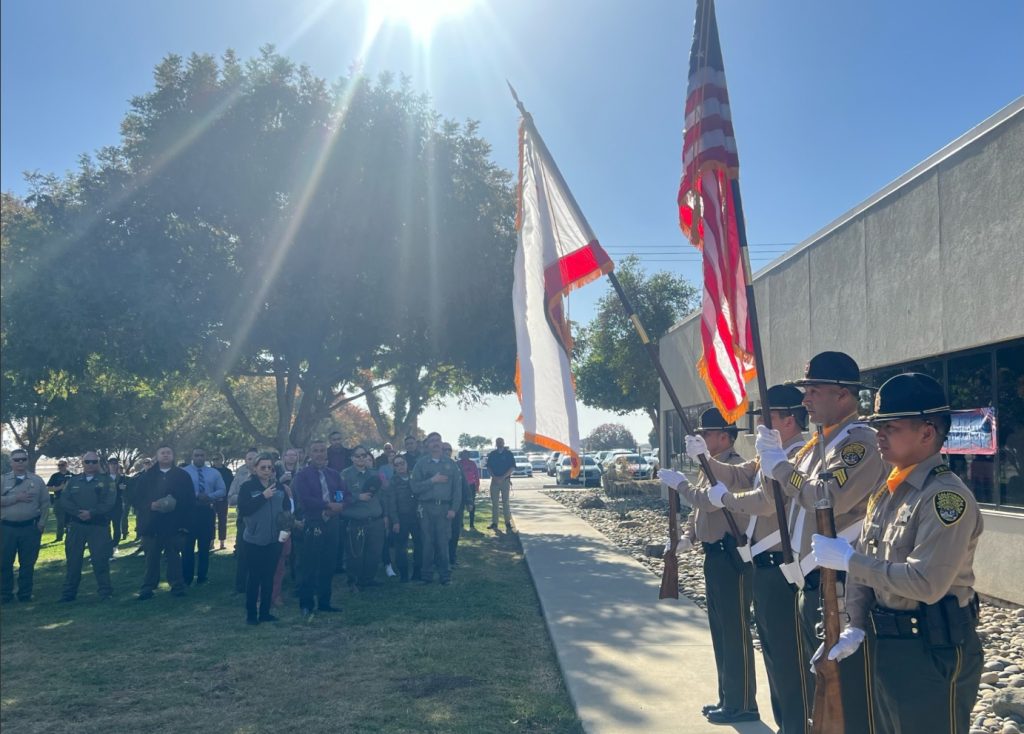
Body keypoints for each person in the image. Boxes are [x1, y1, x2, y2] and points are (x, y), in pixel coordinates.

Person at [812, 373, 983, 733]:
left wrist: (847, 560)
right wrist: (855, 625)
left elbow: (926, 583)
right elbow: (866, 560)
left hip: (932, 651)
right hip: (889, 645)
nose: (879, 435)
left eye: (891, 426)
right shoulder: (889, 491)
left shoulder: (942, 498)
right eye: (878, 426)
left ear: (927, 433)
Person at [754, 351, 887, 733]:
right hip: (810, 581)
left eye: (814, 390)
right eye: (806, 390)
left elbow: (824, 497)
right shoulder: (819, 444)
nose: (806, 398)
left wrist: (779, 465)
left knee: (847, 695)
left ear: (843, 394)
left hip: (841, 587)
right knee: (821, 689)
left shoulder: (858, 443)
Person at [681, 386, 811, 733]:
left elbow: (766, 502)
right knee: (774, 655)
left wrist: (725, 499)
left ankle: (794, 725)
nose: (760, 427)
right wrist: (703, 461)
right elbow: (740, 476)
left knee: (788, 657)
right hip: (764, 562)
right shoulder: (773, 453)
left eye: (767, 419)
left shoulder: (797, 455)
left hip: (783, 563)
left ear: (788, 419)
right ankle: (786, 724)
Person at [663, 408, 757, 724]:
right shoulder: (710, 468)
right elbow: (698, 514)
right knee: (719, 629)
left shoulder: (735, 467)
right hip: (714, 555)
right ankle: (728, 697)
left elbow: (707, 501)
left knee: (735, 630)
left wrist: (681, 487)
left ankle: (743, 703)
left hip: (732, 557)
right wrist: (687, 538)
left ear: (725, 436)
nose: (702, 438)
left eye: (707, 433)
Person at [132, 446, 196, 600]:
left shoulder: (182, 476)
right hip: (152, 525)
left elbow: (190, 500)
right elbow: (136, 499)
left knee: (174, 557)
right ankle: (147, 588)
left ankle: (177, 586)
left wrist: (181, 517)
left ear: (173, 456)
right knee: (151, 558)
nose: (166, 455)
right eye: (162, 453)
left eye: (169, 452)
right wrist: (150, 505)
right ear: (157, 456)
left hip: (174, 524)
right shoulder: (147, 476)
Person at [293, 439, 346, 617]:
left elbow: (343, 493)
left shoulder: (334, 474)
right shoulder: (303, 475)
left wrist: (338, 504)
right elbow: (305, 499)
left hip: (332, 524)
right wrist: (327, 505)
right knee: (309, 565)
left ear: (326, 453)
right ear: (310, 453)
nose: (319, 454)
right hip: (314, 522)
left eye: (322, 450)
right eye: (315, 450)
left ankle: (324, 602)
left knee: (328, 564)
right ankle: (306, 603)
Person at [58, 451, 116, 602]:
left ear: (98, 463)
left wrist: (92, 513)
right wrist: (78, 513)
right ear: (82, 463)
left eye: (94, 462)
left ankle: (105, 592)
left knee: (100, 560)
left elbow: (110, 502)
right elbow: (64, 500)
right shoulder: (73, 481)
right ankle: (69, 594)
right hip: (77, 526)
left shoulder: (107, 481)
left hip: (98, 526)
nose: (91, 465)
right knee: (73, 561)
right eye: (87, 462)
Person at [238, 453, 287, 624]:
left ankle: (265, 612)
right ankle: (251, 614)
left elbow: (287, 509)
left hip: (274, 539)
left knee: (269, 576)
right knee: (254, 577)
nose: (267, 471)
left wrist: (285, 529)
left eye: (270, 468)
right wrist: (263, 496)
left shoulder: (279, 487)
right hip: (254, 540)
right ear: (255, 469)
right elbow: (243, 509)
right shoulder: (247, 487)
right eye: (263, 467)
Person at [410, 432, 460, 585]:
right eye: (432, 441)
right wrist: (432, 480)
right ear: (427, 445)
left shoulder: (451, 464)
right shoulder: (421, 464)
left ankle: (445, 576)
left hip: (444, 509)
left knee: (443, 543)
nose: (435, 444)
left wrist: (454, 509)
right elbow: (414, 487)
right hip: (426, 508)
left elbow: (457, 490)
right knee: (427, 543)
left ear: (442, 443)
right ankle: (426, 576)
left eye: (437, 440)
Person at [1, 449, 49, 603]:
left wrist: (42, 523)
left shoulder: (37, 480)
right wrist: (16, 498)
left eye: (23, 459)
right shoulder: (3, 480)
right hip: (6, 528)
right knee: (4, 562)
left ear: (27, 461)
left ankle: (25, 594)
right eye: (16, 460)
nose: (20, 462)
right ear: (11, 462)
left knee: (27, 563)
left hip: (30, 528)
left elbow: (45, 503)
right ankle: (5, 594)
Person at [340, 446, 386, 590]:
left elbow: (384, 496)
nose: (361, 458)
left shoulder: (375, 474)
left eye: (364, 455)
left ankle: (368, 579)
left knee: (374, 553)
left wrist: (386, 515)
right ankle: (353, 581)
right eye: (357, 456)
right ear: (352, 458)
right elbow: (338, 496)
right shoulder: (345, 475)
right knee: (355, 554)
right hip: (356, 521)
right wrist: (357, 497)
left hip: (375, 520)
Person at [182, 448, 227, 585]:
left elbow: (222, 490)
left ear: (205, 456)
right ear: (192, 456)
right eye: (196, 455)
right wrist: (196, 495)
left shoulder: (214, 473)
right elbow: (181, 490)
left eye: (202, 455)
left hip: (207, 512)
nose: (199, 458)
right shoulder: (184, 472)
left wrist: (209, 496)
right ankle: (187, 577)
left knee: (204, 546)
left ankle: (202, 576)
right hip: (189, 512)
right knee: (187, 547)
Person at [383, 454, 421, 582]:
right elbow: (392, 503)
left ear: (406, 464)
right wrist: (395, 521)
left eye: (402, 463)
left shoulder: (415, 477)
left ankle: (417, 572)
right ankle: (404, 574)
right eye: (397, 464)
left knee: (419, 545)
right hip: (401, 518)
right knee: (400, 547)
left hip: (416, 517)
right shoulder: (393, 481)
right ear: (394, 467)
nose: (400, 466)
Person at [229, 449, 259, 594]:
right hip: (245, 519)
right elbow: (231, 498)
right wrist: (244, 497)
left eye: (254, 458)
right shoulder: (240, 476)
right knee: (243, 552)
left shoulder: (267, 476)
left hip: (262, 520)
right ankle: (240, 586)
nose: (252, 461)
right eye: (249, 459)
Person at [442, 443, 466, 566]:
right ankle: (442, 558)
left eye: (449, 450)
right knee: (443, 534)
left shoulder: (457, 466)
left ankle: (452, 557)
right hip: (441, 506)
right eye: (444, 449)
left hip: (456, 506)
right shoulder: (436, 466)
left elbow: (464, 484)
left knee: (455, 532)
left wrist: (469, 501)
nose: (447, 451)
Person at [485, 438, 515, 533]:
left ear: (503, 443)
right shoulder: (492, 454)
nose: (499, 444)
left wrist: (503, 477)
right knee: (495, 503)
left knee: (505, 502)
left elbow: (512, 467)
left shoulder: (509, 454)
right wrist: (494, 477)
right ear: (496, 444)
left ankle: (507, 523)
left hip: (505, 480)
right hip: (494, 481)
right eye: (498, 442)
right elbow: (488, 467)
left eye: (501, 442)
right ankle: (495, 523)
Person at [105, 457, 130, 555]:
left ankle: (114, 545)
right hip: (106, 506)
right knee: (105, 527)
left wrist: (124, 489)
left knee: (117, 527)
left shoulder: (123, 478)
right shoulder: (104, 477)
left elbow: (127, 490)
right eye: (111, 464)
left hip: (118, 505)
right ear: (108, 465)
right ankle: (106, 546)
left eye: (115, 464)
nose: (114, 466)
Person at [211, 453, 234, 550]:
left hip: (223, 500)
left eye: (217, 459)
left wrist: (227, 496)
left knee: (222, 521)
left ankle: (222, 542)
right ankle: (211, 542)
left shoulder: (227, 472)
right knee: (211, 521)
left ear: (222, 459)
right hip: (212, 500)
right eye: (214, 459)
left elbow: (231, 485)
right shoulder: (210, 471)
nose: (216, 461)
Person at [46, 459, 73, 543]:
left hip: (70, 501)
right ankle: (59, 537)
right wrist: (59, 488)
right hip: (58, 499)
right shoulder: (55, 476)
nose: (61, 467)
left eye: (63, 465)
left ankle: (70, 537)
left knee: (70, 520)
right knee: (60, 520)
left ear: (66, 465)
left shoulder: (72, 475)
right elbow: (48, 488)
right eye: (59, 465)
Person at [457, 450, 481, 531]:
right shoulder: (458, 463)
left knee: (471, 504)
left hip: (471, 486)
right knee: (460, 505)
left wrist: (477, 486)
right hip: (460, 486)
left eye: (467, 455)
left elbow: (476, 475)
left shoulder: (472, 464)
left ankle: (471, 524)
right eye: (463, 455)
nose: (465, 456)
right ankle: (460, 524)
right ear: (461, 455)